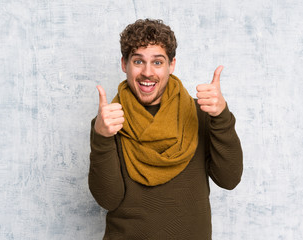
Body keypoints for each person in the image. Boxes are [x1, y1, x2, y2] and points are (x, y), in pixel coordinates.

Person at [89, 19, 243, 240]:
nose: (148, 72)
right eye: (138, 61)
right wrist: (102, 138)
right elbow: (108, 199)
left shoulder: (200, 113)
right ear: (124, 64)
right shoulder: (108, 122)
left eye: (158, 62)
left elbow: (229, 179)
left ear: (172, 65)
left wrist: (221, 116)